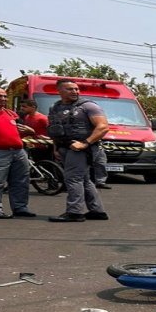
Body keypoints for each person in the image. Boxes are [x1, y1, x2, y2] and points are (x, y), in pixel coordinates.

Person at [46, 79, 109, 222]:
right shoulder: (55, 107)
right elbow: (55, 129)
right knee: (84, 179)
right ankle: (97, 211)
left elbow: (103, 127)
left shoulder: (88, 106)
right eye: (70, 89)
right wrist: (56, 148)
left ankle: (75, 212)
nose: (75, 91)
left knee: (73, 179)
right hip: (64, 148)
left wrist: (85, 143)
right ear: (59, 91)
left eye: (76, 89)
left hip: (81, 149)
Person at [0, 86, 37, 219]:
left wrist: (30, 132)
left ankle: (20, 207)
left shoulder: (11, 113)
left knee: (21, 181)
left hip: (18, 151)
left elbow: (17, 131)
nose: (3, 99)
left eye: (4, 96)